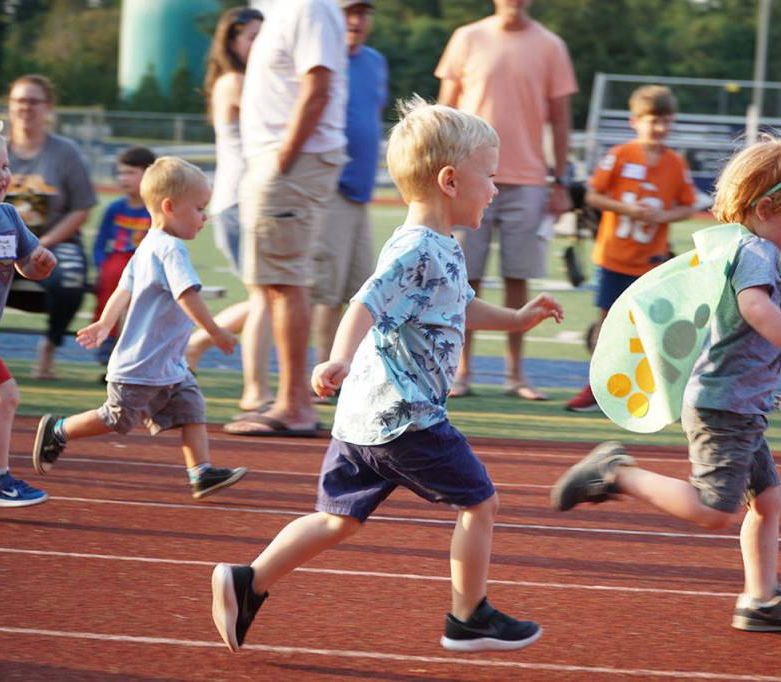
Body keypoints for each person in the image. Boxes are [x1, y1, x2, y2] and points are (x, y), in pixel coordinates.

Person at [210, 98, 564, 653]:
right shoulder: (419, 248)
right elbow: (364, 304)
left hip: (365, 416)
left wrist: (517, 318)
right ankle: (468, 615)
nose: (495, 190)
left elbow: (459, 307)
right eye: (489, 178)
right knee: (481, 502)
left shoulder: (439, 246)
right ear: (449, 181)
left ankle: (248, 580)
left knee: (337, 519)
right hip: (407, 417)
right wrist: (337, 357)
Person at [552, 134, 781, 632]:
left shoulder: (743, 246)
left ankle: (761, 597)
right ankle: (616, 472)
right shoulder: (755, 252)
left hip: (740, 405)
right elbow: (755, 308)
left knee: (767, 500)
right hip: (724, 407)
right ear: (767, 206)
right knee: (713, 511)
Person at [30, 157, 248, 500]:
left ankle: (201, 472)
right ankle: (59, 429)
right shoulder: (170, 249)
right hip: (141, 365)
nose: (204, 218)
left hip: (168, 364)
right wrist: (215, 332)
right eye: (199, 208)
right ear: (170, 206)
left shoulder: (148, 243)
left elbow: (124, 288)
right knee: (117, 419)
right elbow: (186, 296)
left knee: (192, 408)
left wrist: (105, 322)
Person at [436, 0, 577, 400]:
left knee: (519, 276)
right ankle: (461, 372)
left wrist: (560, 178)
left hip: (529, 178)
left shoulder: (551, 45)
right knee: (464, 276)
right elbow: (442, 113)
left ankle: (516, 375)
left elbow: (560, 118)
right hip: (466, 177)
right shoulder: (467, 38)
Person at [223, 0, 348, 437]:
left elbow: (318, 87)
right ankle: (289, 400)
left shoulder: (310, 6)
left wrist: (282, 162)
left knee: (284, 280)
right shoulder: (283, 9)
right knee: (275, 282)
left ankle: (295, 405)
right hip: (282, 161)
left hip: (292, 163)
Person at [565, 85, 697, 412]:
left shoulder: (675, 163)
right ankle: (597, 385)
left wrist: (665, 215)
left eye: (666, 121)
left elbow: (689, 206)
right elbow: (592, 195)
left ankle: (659, 391)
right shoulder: (620, 155)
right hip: (614, 255)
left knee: (654, 326)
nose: (660, 128)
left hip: (651, 260)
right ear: (634, 121)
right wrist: (625, 209)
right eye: (653, 121)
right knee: (607, 321)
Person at [186, 6, 274, 418]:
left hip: (247, 199)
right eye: (251, 38)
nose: (258, 45)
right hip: (240, 201)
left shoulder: (243, 80)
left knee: (270, 298)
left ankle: (199, 343)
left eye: (263, 36)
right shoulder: (237, 82)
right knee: (268, 299)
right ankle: (255, 391)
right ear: (233, 43)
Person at [311, 0, 389, 367]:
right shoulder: (322, 58)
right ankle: (325, 371)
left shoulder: (375, 61)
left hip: (360, 192)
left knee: (361, 291)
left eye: (363, 13)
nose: (356, 21)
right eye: (348, 13)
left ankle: (349, 373)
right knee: (326, 292)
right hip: (330, 188)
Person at [5, 74, 97, 381]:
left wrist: (42, 242)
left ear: (48, 108)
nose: (26, 108)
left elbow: (81, 207)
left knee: (70, 279)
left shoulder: (65, 152)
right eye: (19, 100)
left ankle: (50, 345)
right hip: (1, 238)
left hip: (54, 240)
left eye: (34, 101)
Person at [0, 127, 57, 507]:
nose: (1, 176)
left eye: (5, 166)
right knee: (6, 395)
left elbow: (26, 264)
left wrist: (39, 264)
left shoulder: (9, 217)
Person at [90, 145, 156, 366]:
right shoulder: (115, 208)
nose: (123, 178)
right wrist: (100, 262)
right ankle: (105, 337)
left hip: (145, 263)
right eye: (121, 173)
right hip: (117, 262)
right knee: (111, 275)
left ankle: (137, 344)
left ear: (148, 175)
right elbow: (100, 241)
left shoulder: (154, 209)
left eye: (130, 173)